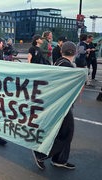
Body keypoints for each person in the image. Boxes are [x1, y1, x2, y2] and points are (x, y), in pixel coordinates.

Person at [32, 41, 77, 170]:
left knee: (62, 131)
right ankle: (41, 154)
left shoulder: (59, 62)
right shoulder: (66, 65)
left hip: (61, 103)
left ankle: (60, 159)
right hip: (63, 104)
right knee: (66, 132)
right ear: (74, 52)